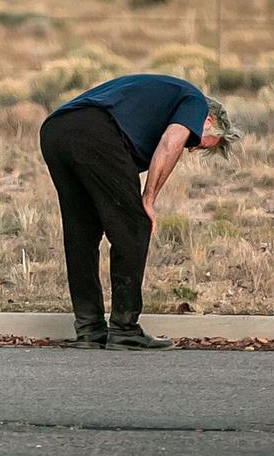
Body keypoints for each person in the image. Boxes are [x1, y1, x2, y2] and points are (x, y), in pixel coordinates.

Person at [39, 74, 240, 350]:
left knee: (81, 234)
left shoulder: (161, 100)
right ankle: (124, 330)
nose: (192, 148)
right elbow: (170, 143)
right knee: (135, 226)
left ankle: (89, 330)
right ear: (209, 121)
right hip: (94, 130)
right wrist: (148, 198)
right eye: (199, 142)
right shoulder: (195, 102)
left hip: (55, 130)